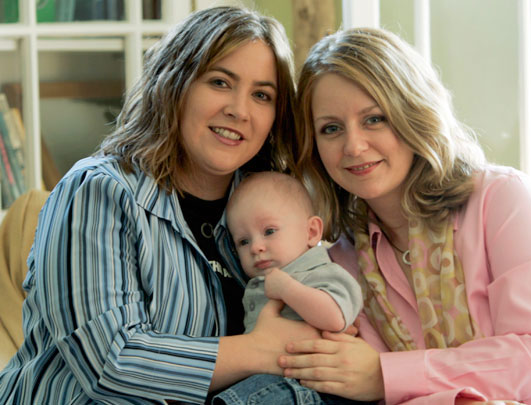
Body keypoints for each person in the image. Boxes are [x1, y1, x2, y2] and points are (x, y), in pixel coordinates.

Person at [0, 7, 321, 404]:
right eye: (220, 82)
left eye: (261, 95)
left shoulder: (271, 205)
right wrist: (261, 349)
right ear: (174, 84)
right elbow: (112, 365)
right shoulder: (97, 191)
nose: (240, 110)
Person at [285, 27, 531, 404]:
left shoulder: (505, 199)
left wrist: (385, 374)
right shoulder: (341, 262)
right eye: (331, 129)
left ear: (411, 112)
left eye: (374, 119)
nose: (353, 146)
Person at [211, 170, 366, 404]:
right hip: (273, 382)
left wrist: (288, 290)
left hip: (314, 387)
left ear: (312, 232)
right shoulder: (259, 283)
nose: (256, 247)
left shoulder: (321, 272)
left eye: (269, 231)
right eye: (244, 241)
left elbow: (335, 318)